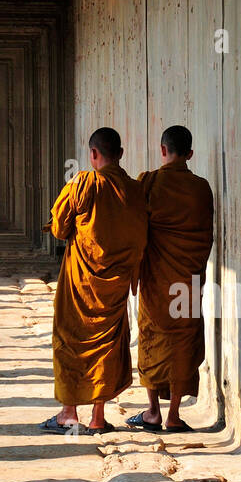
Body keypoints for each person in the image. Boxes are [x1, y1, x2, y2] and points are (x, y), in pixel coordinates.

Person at [42, 127, 147, 435]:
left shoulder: (84, 183)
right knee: (107, 346)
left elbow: (60, 229)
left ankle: (69, 413)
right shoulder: (136, 189)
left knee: (71, 341)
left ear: (93, 155)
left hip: (81, 284)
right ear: (121, 154)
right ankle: (98, 417)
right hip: (115, 285)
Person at [128, 125, 214, 433]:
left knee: (152, 337)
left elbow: (134, 229)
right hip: (187, 279)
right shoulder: (202, 188)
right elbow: (205, 235)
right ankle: (174, 414)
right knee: (183, 339)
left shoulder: (148, 184)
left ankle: (152, 412)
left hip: (155, 277)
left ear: (163, 151)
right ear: (190, 154)